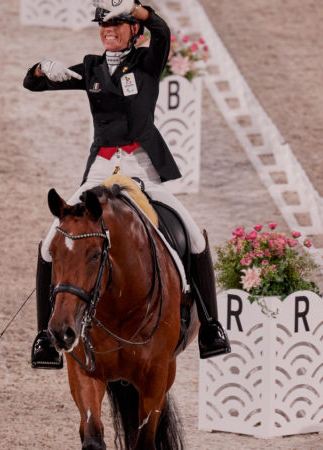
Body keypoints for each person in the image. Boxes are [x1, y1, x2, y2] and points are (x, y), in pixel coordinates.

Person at [23, 0, 230, 370]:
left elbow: (163, 30)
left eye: (117, 25)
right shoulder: (91, 68)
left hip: (143, 166)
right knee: (48, 244)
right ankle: (44, 338)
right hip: (101, 168)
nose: (109, 30)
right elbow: (32, 84)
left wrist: (138, 10)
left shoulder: (148, 61)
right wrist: (43, 68)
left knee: (193, 236)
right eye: (104, 25)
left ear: (134, 31)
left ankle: (211, 328)